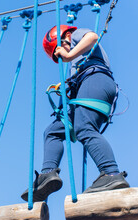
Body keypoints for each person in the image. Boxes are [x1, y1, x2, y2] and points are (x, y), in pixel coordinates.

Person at [21, 25, 129, 202]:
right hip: (85, 85)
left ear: (67, 36)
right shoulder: (75, 63)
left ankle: (111, 173)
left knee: (84, 128)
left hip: (96, 79)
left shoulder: (76, 35)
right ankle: (47, 174)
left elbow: (93, 37)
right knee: (52, 132)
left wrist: (70, 54)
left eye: (60, 49)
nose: (62, 56)